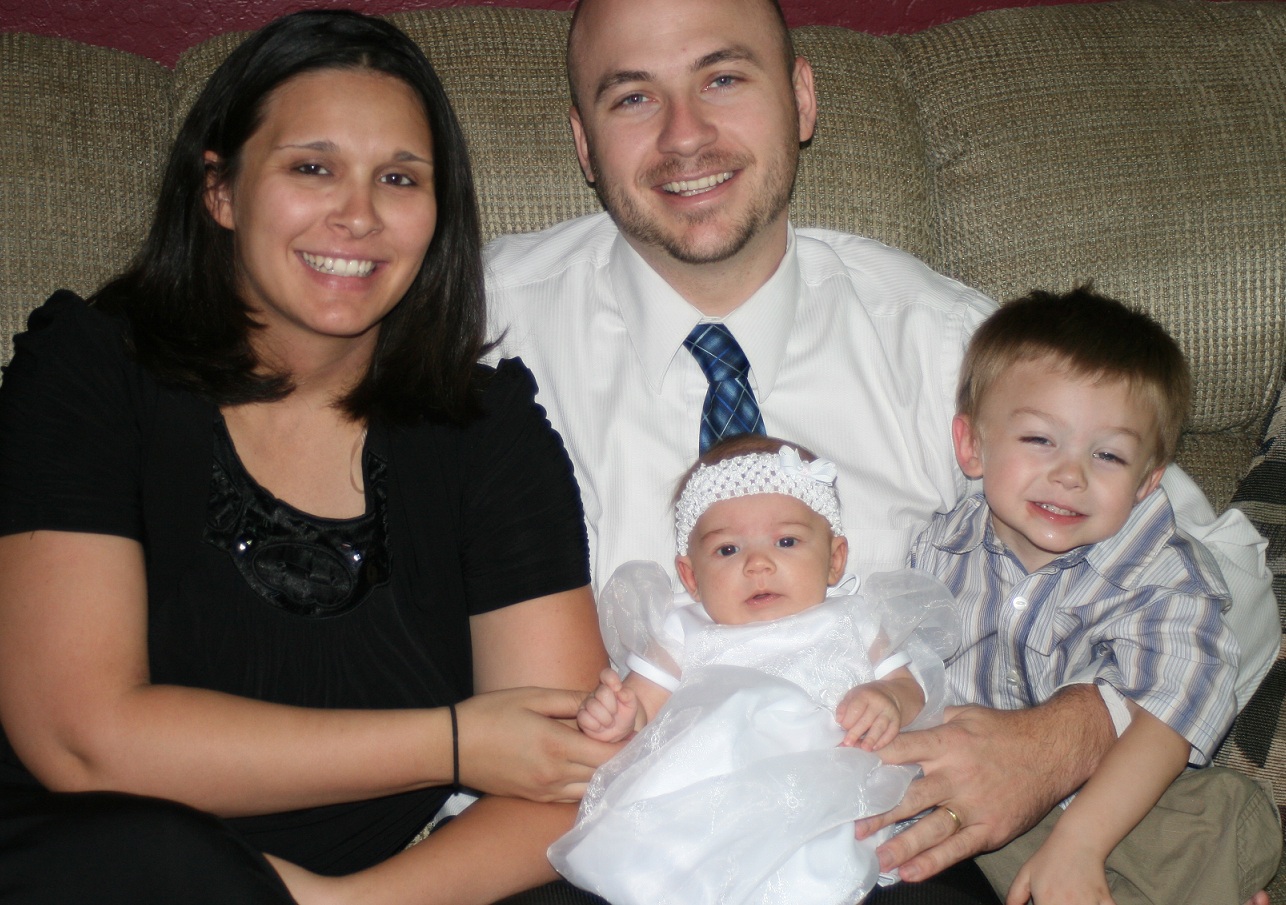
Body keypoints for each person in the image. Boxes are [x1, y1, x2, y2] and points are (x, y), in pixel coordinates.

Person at [482, 0, 1281, 899]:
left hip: (887, 855)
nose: (685, 136)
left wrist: (1060, 743)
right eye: (633, 98)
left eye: (723, 78)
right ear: (584, 144)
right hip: (622, 854)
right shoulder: (476, 327)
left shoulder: (942, 346)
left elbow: (1227, 581)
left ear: (801, 99)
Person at [0, 10, 621, 905]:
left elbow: (565, 776)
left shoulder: (487, 428)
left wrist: (349, 904)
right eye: (312, 168)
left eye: (399, 178)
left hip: (367, 893)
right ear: (220, 190)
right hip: (96, 865)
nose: (358, 215)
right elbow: (83, 742)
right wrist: (454, 742)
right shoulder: (91, 371)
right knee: (162, 857)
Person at [910, 287, 1281, 905]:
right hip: (988, 817)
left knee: (1225, 815)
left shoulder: (1163, 574)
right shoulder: (938, 550)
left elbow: (1174, 711)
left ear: (1147, 482)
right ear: (972, 445)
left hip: (1133, 805)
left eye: (1108, 455)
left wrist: (1080, 844)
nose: (1070, 474)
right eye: (1039, 440)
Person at [550, 435, 959, 905]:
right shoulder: (684, 629)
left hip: (822, 797)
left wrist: (888, 699)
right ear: (690, 577)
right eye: (727, 550)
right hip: (705, 806)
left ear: (835, 559)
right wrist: (618, 715)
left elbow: (911, 689)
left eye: (786, 542)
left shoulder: (854, 620)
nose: (758, 564)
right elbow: (641, 706)